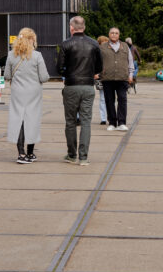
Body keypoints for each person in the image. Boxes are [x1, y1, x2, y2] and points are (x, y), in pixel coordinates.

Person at [56, 16, 103, 166]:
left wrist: (68, 73)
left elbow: (59, 68)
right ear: (84, 27)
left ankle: (72, 154)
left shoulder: (66, 44)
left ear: (71, 27)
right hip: (88, 85)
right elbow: (100, 67)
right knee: (86, 122)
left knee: (70, 122)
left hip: (71, 85)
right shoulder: (94, 44)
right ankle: (83, 157)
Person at [5, 28, 50, 163]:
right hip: (34, 93)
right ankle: (30, 153)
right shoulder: (37, 55)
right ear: (31, 40)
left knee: (18, 120)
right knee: (32, 120)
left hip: (17, 92)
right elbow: (44, 77)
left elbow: (7, 75)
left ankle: (21, 154)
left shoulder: (11, 55)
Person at [98, 27, 133, 132]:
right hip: (107, 78)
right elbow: (97, 61)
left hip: (122, 78)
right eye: (112, 33)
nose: (114, 34)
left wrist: (131, 75)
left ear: (119, 35)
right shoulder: (102, 47)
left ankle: (122, 123)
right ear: (109, 34)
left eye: (116, 33)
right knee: (109, 101)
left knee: (122, 99)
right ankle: (112, 123)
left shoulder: (125, 46)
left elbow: (130, 61)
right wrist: (97, 73)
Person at [96, 35, 110, 124]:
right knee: (102, 98)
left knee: (110, 98)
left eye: (106, 43)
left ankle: (110, 116)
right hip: (100, 77)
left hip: (110, 77)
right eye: (103, 43)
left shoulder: (110, 52)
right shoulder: (96, 53)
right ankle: (103, 118)